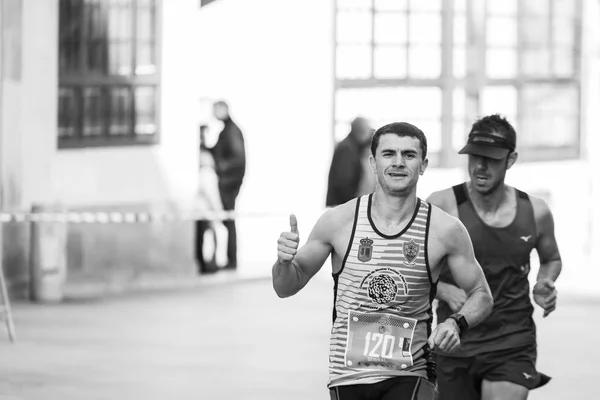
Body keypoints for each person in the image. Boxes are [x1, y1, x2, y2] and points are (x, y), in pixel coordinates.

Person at [273, 122, 494, 400]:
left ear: (423, 164)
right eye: (388, 154)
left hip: (412, 373)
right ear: (373, 162)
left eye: (409, 155)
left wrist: (456, 323)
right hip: (348, 375)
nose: (398, 163)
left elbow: (482, 295)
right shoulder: (339, 222)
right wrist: (283, 262)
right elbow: (285, 287)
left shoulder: (444, 229)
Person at [427, 114, 562, 400]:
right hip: (454, 340)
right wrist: (444, 289)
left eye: (491, 158)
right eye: (474, 156)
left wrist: (545, 283)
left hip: (511, 341)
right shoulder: (441, 206)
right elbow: (412, 268)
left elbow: (551, 259)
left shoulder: (535, 212)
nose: (480, 166)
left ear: (510, 160)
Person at [202, 100, 246, 270]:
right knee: (227, 220)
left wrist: (221, 169)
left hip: (230, 183)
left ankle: (232, 260)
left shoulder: (232, 132)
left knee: (228, 220)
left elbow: (237, 159)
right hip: (228, 181)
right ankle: (230, 259)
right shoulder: (227, 131)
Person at [326, 117, 374, 207]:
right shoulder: (347, 149)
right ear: (361, 131)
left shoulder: (352, 146)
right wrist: (353, 205)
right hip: (341, 205)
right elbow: (343, 182)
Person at [194, 125, 223, 274]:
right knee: (211, 235)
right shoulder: (207, 172)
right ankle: (210, 263)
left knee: (205, 237)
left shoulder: (202, 165)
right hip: (206, 209)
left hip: (201, 208)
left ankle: (207, 263)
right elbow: (211, 193)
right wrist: (218, 210)